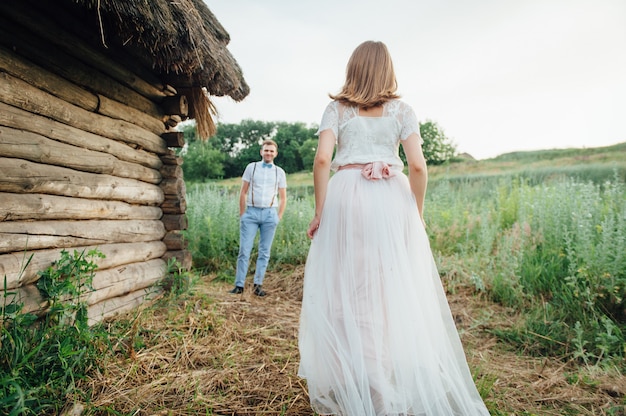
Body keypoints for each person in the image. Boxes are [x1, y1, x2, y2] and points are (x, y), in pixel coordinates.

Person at [298, 41, 490, 415]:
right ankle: (379, 385)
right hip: (391, 199)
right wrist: (415, 213)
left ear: (353, 68)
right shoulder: (403, 110)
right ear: (387, 69)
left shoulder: (337, 109)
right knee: (386, 292)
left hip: (347, 198)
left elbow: (323, 159)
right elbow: (418, 166)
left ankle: (355, 380)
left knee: (344, 290)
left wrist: (320, 211)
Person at [229, 139, 287, 297]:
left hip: (270, 214)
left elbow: (283, 197)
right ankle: (239, 285)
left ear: (276, 153)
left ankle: (257, 285)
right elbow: (243, 192)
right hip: (251, 213)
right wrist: (243, 214)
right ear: (261, 152)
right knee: (244, 250)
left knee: (264, 252)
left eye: (271, 151)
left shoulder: (279, 172)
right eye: (266, 150)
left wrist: (278, 216)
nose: (268, 153)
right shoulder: (251, 167)